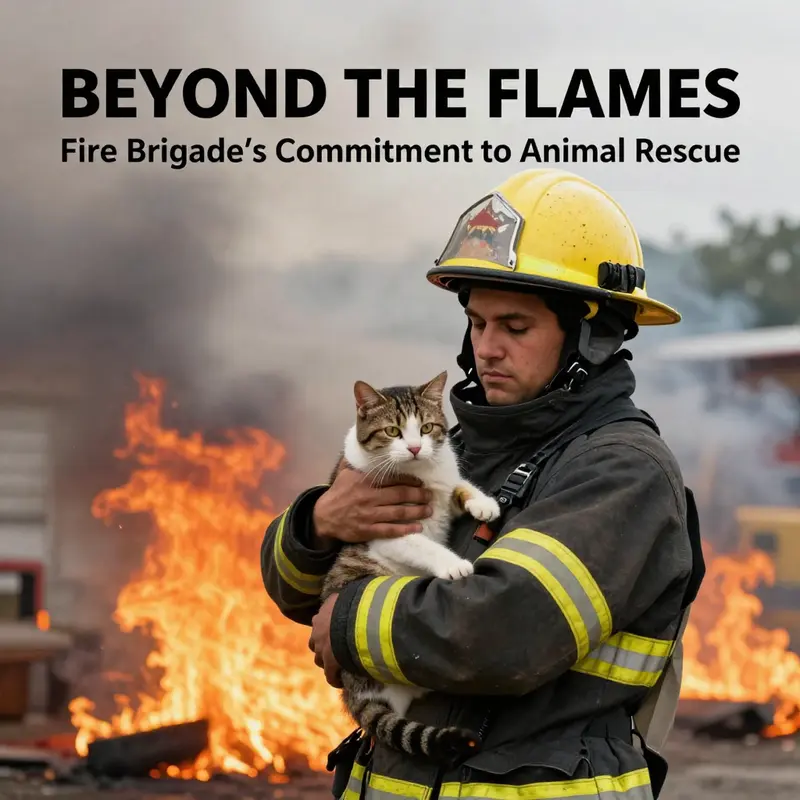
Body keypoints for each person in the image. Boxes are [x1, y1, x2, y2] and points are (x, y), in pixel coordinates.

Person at [260, 168, 704, 800]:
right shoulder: (449, 448)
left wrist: (348, 623)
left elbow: (504, 629)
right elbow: (298, 595)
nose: (488, 347)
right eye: (478, 322)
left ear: (592, 335)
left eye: (515, 327)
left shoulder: (621, 470)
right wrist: (318, 524)